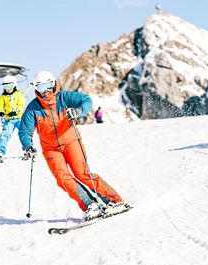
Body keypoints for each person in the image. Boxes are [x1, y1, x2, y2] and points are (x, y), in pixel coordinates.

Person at [19, 71, 129, 220]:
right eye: (41, 87)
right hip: (50, 149)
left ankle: (114, 200)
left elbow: (86, 100)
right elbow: (24, 130)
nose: (45, 90)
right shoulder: (33, 108)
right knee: (63, 179)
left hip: (71, 141)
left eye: (48, 85)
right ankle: (90, 204)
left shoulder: (64, 97)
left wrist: (77, 111)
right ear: (36, 89)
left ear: (53, 84)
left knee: (81, 172)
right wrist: (28, 145)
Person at [0, 75, 26, 163]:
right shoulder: (2, 97)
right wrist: (0, 111)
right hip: (9, 120)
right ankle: (0, 151)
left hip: (20, 118)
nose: (7, 89)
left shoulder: (19, 94)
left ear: (14, 85)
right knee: (5, 135)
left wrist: (16, 111)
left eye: (9, 86)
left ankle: (27, 148)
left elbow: (21, 105)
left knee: (24, 134)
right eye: (5, 87)